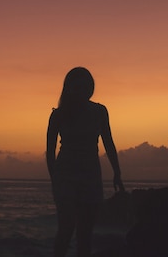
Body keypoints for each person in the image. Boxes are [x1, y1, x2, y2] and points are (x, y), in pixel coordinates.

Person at [46, 66, 124, 257]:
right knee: (66, 229)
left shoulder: (99, 111)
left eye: (85, 86)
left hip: (90, 176)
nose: (81, 90)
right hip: (65, 176)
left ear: (90, 88)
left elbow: (109, 143)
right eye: (77, 86)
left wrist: (117, 173)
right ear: (69, 88)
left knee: (85, 233)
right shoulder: (58, 114)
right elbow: (50, 152)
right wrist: (55, 180)